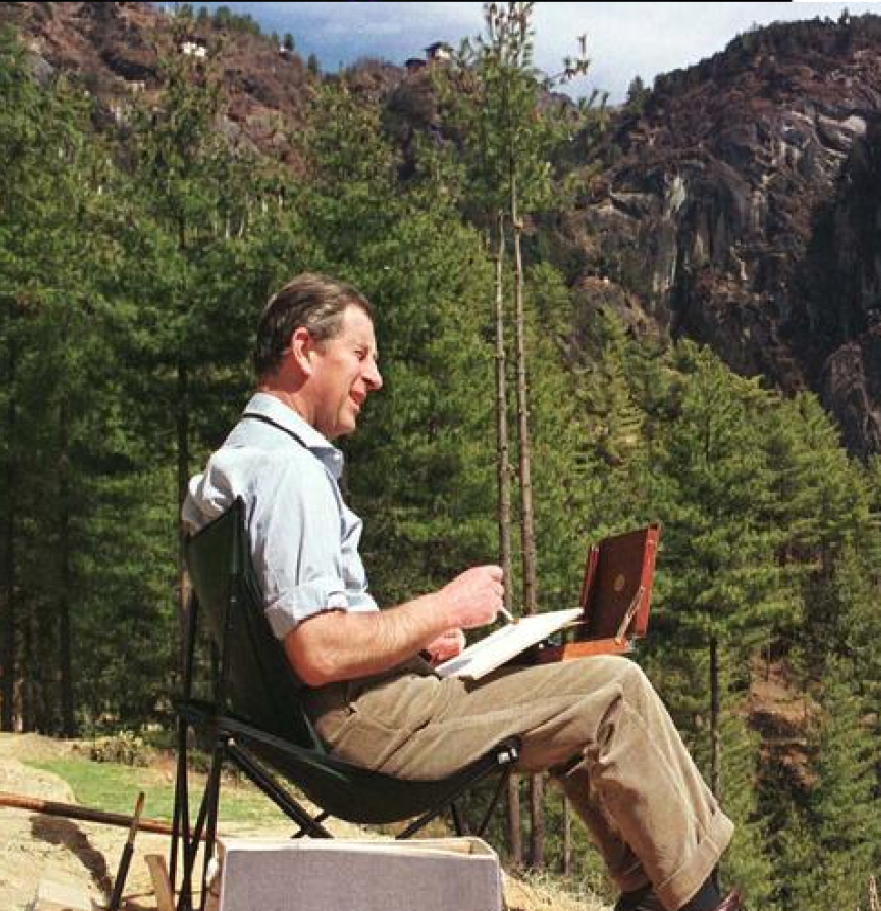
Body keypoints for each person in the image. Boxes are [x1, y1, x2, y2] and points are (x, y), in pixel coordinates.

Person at [182, 274, 739, 911]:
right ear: (304, 350)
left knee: (569, 693)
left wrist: (416, 642)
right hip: (364, 728)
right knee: (616, 690)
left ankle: (647, 892)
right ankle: (697, 904)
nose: (375, 377)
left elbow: (301, 640)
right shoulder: (289, 471)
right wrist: (446, 606)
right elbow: (318, 650)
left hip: (336, 716)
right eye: (361, 354)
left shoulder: (241, 459)